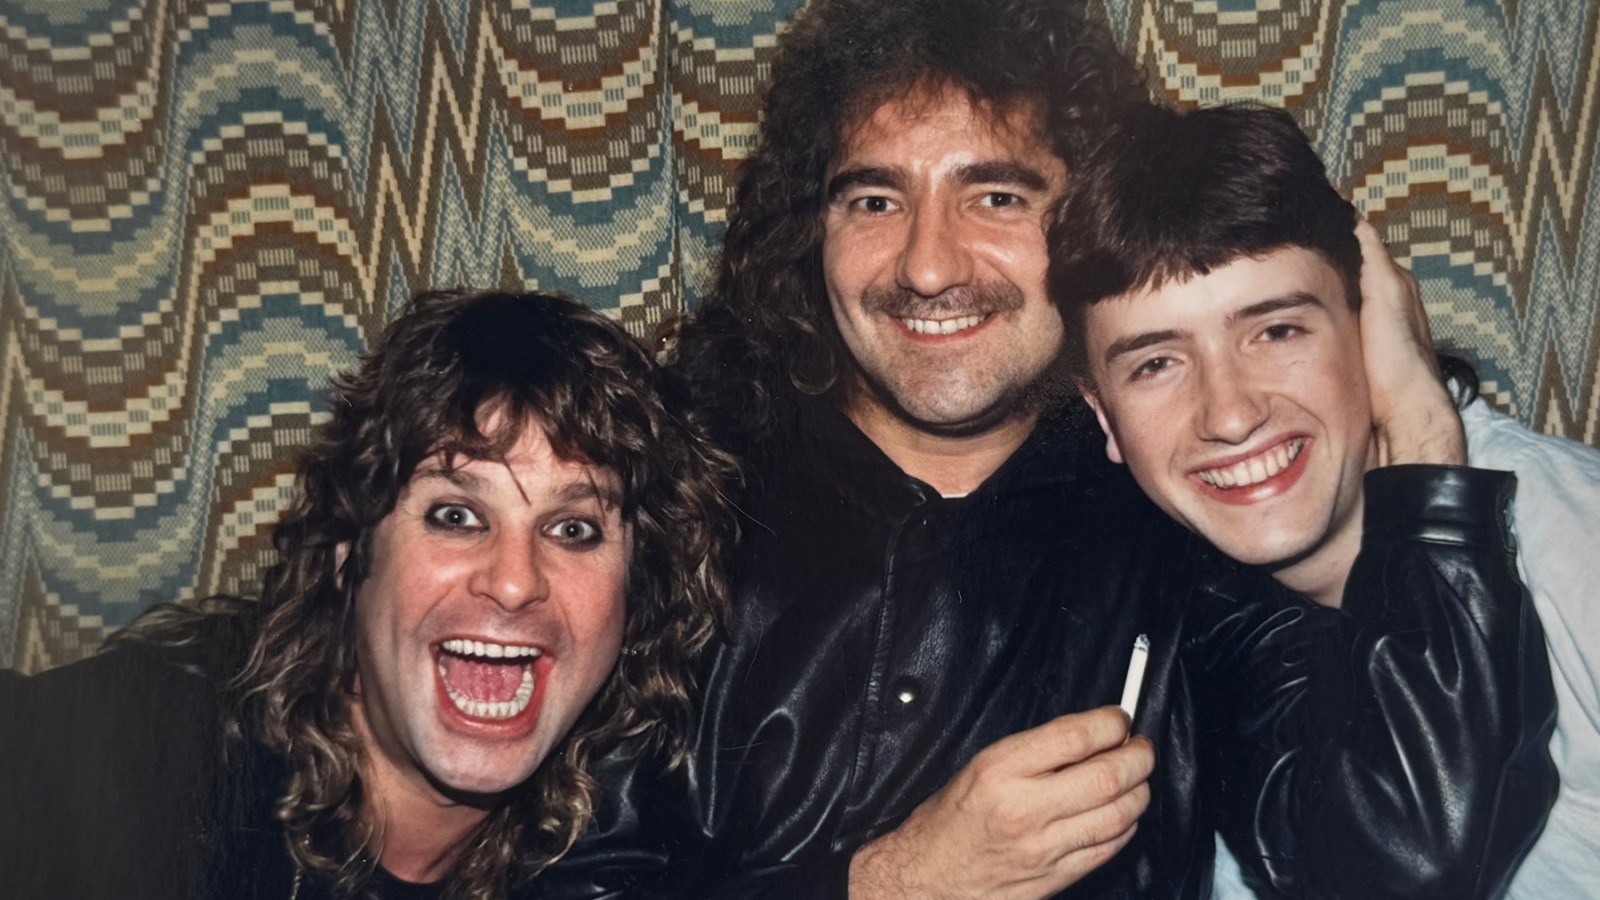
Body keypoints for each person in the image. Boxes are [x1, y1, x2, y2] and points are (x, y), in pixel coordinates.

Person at [537, 0, 1555, 897]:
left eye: (996, 196)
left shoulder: (1171, 516)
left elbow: (1402, 865)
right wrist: (890, 889)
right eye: (875, 199)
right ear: (812, 229)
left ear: (1081, 232)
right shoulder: (672, 499)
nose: (928, 265)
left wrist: (1424, 443)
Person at [0, 289, 736, 900]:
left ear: (637, 599)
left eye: (573, 529)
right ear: (351, 552)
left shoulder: (631, 847)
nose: (514, 580)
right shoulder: (144, 761)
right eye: (456, 515)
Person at [1050, 101, 1594, 900]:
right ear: (1105, 417)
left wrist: (1422, 431)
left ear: (1373, 327)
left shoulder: (1578, 546)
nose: (1229, 413)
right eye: (1156, 364)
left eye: (1275, 331)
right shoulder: (1180, 624)